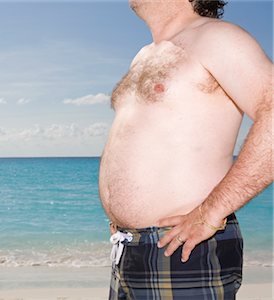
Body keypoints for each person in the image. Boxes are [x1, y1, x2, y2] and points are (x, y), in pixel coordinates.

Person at [99, 0, 272, 299]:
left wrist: (212, 211)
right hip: (128, 250)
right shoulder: (143, 56)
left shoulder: (216, 37)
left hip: (184, 247)